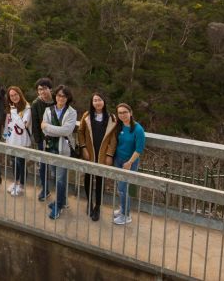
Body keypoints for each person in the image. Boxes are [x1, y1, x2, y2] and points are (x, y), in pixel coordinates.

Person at [76, 92, 117, 221]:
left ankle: (98, 206)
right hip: (89, 152)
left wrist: (109, 155)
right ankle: (89, 201)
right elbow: (80, 132)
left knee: (100, 180)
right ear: (92, 103)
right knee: (88, 177)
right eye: (95, 100)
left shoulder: (111, 118)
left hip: (103, 154)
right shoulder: (87, 116)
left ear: (104, 102)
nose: (97, 102)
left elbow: (113, 139)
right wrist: (83, 148)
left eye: (99, 100)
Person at [41, 84, 78, 220]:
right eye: (58, 95)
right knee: (54, 175)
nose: (60, 98)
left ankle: (59, 206)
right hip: (50, 148)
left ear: (67, 98)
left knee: (61, 179)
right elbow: (43, 130)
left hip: (63, 150)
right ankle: (62, 202)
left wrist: (48, 127)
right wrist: (52, 129)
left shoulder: (71, 112)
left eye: (63, 95)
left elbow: (66, 131)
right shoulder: (48, 109)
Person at [113, 103, 146, 225]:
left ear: (130, 113)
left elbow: (139, 149)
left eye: (124, 112)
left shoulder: (138, 129)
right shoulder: (119, 126)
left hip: (130, 162)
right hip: (118, 160)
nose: (122, 115)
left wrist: (130, 162)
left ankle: (126, 215)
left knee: (124, 189)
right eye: (120, 113)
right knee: (120, 187)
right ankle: (123, 209)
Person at [30, 78, 55, 201]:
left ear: (50, 89)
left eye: (45, 88)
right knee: (43, 165)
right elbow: (35, 124)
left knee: (58, 167)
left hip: (58, 139)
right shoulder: (36, 104)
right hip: (43, 140)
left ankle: (61, 193)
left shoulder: (57, 99)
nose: (42, 91)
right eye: (40, 89)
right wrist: (39, 140)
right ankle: (45, 189)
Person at [4, 86, 31, 197]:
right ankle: (15, 182)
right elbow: (8, 124)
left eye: (16, 94)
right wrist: (6, 137)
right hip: (12, 140)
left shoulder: (27, 108)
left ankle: (22, 185)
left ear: (20, 94)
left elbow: (23, 126)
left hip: (22, 141)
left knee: (21, 163)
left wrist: (14, 112)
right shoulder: (11, 107)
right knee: (14, 163)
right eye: (11, 95)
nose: (14, 97)